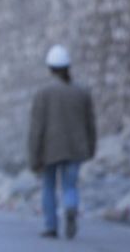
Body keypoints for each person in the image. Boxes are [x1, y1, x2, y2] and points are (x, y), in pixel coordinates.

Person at [28, 45, 97, 239]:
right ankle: (71, 207)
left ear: (50, 68)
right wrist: (91, 147)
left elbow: (37, 128)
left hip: (50, 150)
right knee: (70, 186)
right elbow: (90, 123)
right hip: (75, 148)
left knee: (48, 187)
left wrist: (34, 155)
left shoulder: (44, 93)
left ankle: (51, 225)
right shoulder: (82, 92)